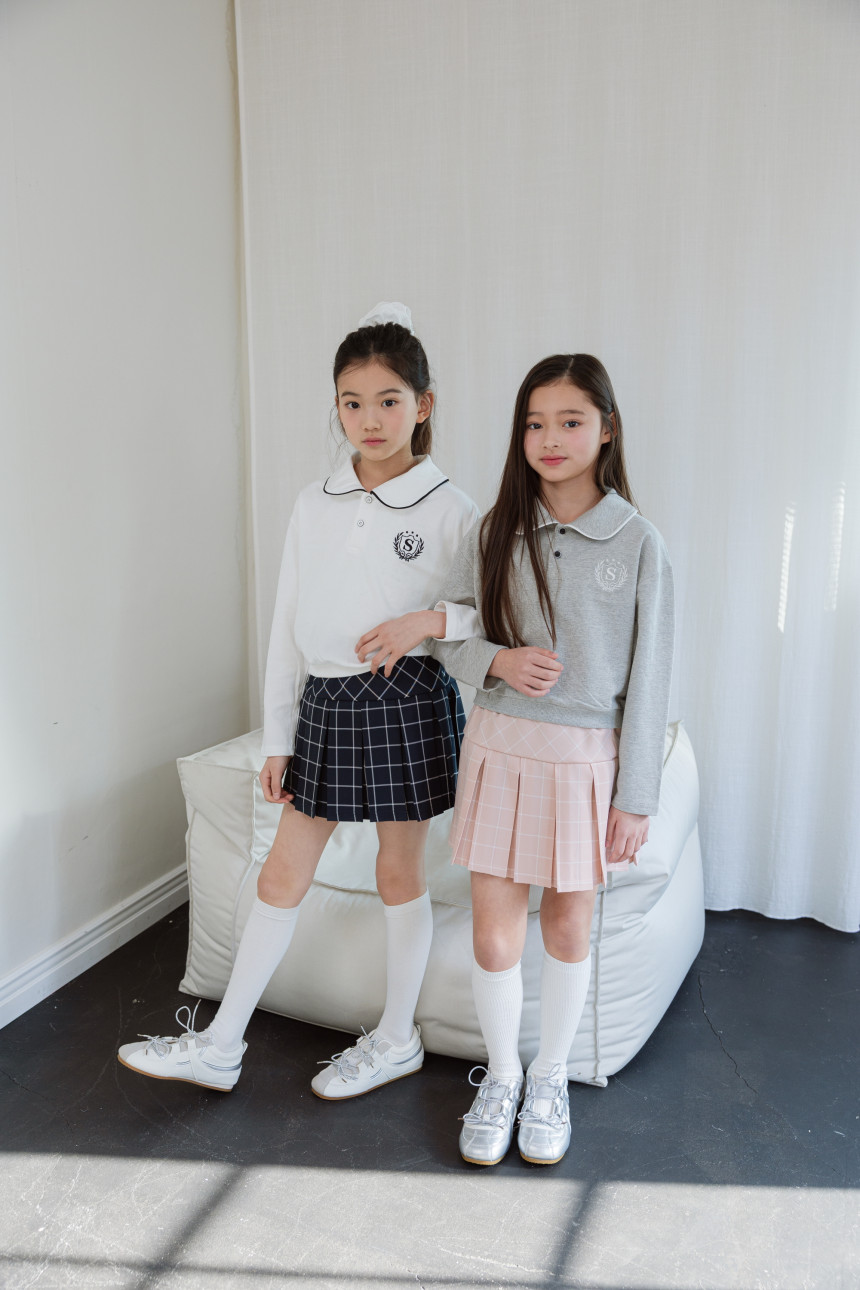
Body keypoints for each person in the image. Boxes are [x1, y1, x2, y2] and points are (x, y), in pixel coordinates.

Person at [118, 303, 481, 1097]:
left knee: (399, 870)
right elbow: (286, 626)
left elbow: (488, 617)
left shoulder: (454, 509)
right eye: (352, 402)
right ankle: (221, 1045)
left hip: (406, 699)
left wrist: (428, 621)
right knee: (283, 869)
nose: (369, 419)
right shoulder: (313, 502)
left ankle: (397, 1038)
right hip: (324, 704)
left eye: (388, 400)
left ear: (423, 404)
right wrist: (278, 737)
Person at [431, 353, 674, 1166]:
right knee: (495, 935)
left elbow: (651, 679)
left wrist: (636, 796)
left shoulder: (639, 543)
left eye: (571, 421)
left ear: (607, 429)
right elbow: (447, 637)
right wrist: (497, 661)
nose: (550, 438)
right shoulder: (493, 531)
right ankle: (502, 1075)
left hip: (585, 760)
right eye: (535, 423)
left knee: (569, 925)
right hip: (499, 746)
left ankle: (551, 1078)